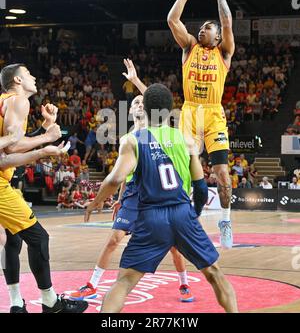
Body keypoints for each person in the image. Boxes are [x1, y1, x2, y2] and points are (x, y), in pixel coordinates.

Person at [85, 83, 238, 313]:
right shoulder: (186, 140)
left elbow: (115, 180)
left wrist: (96, 201)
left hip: (150, 217)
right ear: (170, 110)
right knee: (215, 274)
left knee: (124, 282)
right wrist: (193, 213)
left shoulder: (133, 140)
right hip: (181, 211)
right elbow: (201, 188)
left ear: (145, 109)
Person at [127, 0, 235, 248]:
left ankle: (225, 220)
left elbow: (226, 21)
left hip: (213, 113)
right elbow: (172, 19)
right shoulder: (189, 47)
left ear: (218, 38)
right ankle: (184, 216)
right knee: (187, 170)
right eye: (201, 28)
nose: (202, 30)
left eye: (207, 29)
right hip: (190, 111)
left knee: (222, 173)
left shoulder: (224, 53)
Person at [69, 94, 196, 303]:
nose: (138, 104)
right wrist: (120, 199)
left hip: (156, 193)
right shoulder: (127, 138)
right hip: (133, 196)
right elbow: (124, 177)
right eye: (134, 102)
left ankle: (184, 283)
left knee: (173, 246)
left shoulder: (159, 133)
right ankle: (91, 285)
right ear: (129, 111)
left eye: (142, 102)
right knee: (113, 240)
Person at [0, 64, 88, 313]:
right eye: (29, 73)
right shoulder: (18, 101)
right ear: (17, 79)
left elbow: (10, 147)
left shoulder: (6, 101)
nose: (35, 76)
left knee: (13, 243)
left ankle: (16, 302)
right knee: (39, 238)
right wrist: (47, 138)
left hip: (4, 177)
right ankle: (50, 302)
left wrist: (44, 130)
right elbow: (13, 148)